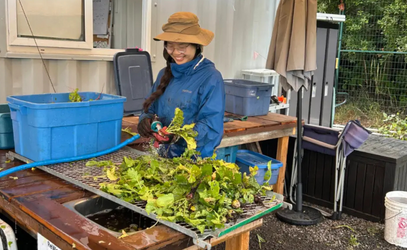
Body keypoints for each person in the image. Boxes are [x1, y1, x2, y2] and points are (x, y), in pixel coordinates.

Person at [137, 12, 225, 159]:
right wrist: (146, 121)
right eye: (170, 46)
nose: (176, 52)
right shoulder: (164, 74)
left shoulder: (211, 77)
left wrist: (177, 137)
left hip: (194, 162)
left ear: (197, 46)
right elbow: (150, 109)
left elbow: (211, 127)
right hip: (162, 158)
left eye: (182, 46)